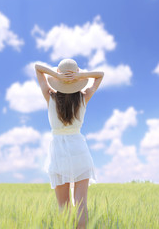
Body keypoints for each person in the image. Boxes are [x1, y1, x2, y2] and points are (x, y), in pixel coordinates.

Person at [35, 58, 104, 229]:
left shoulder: (49, 97)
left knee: (63, 207)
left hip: (58, 152)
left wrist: (58, 75)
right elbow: (100, 75)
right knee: (81, 204)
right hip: (79, 150)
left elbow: (38, 68)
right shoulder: (83, 97)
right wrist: (79, 76)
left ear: (57, 81)